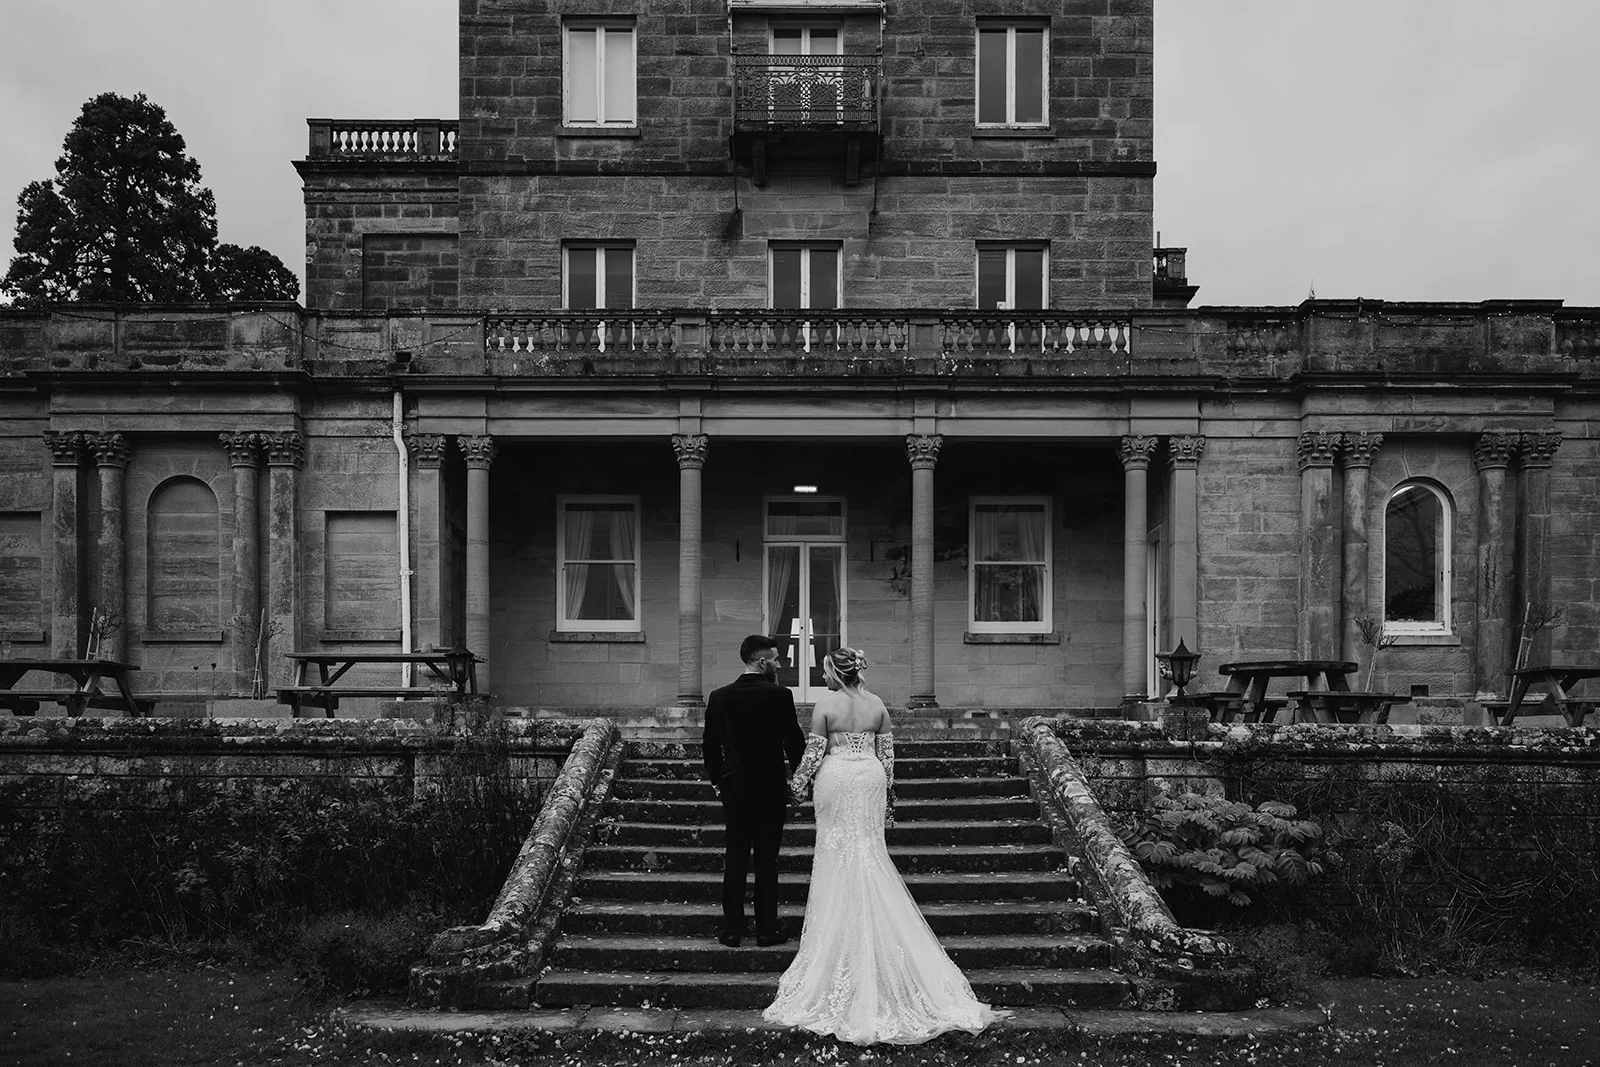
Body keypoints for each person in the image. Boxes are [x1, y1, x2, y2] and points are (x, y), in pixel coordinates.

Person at [763, 646, 1005, 1045]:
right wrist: (888, 802)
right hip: (869, 780)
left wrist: (795, 786)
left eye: (825, 672)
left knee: (838, 855)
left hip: (838, 779)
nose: (823, 678)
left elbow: (813, 755)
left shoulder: (825, 705)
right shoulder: (877, 705)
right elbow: (888, 760)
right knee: (869, 851)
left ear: (837, 674)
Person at [702, 633, 806, 948]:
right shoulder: (780, 696)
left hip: (734, 786)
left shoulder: (720, 697)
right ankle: (766, 929)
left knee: (735, 856)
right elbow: (795, 744)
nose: (779, 664)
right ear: (762, 662)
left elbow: (709, 745)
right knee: (766, 860)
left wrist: (717, 781)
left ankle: (732, 929)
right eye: (775, 659)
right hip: (770, 787)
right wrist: (799, 780)